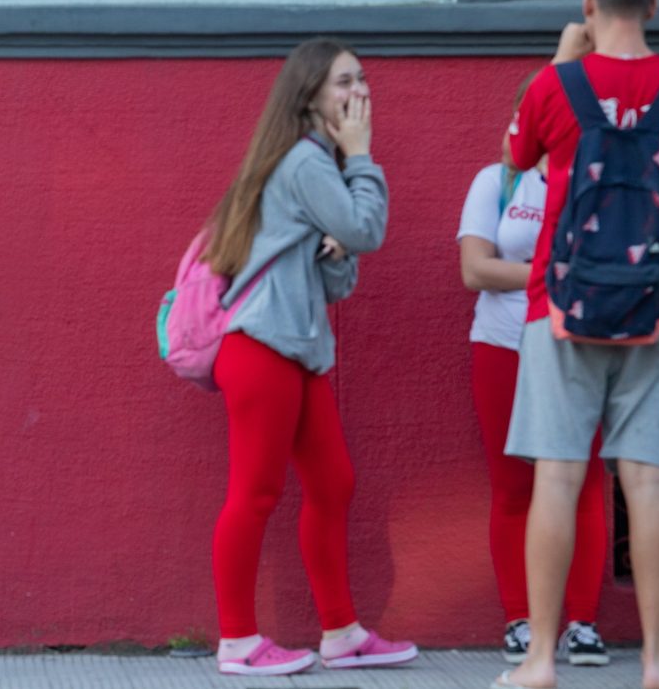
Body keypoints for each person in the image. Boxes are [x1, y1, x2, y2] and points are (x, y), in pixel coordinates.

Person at [495, 0, 659, 688]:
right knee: (648, 478)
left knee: (558, 477)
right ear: (655, 6)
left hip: (560, 303)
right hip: (657, 306)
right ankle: (658, 665)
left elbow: (514, 158)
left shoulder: (555, 85)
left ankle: (539, 661)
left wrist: (561, 59)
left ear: (588, 1)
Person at [199, 37, 416, 676]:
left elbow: (338, 271)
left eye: (364, 80)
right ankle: (237, 642)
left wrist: (337, 254)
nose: (360, 94)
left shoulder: (310, 162)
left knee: (332, 483)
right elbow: (367, 229)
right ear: (311, 95)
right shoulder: (307, 162)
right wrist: (363, 157)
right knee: (254, 494)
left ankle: (342, 633)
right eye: (345, 83)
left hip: (297, 349)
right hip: (264, 349)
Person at [458, 85, 609, 667]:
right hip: (502, 347)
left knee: (585, 483)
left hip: (578, 348)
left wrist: (521, 271)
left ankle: (583, 625)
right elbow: (474, 269)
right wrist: (552, 274)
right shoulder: (497, 182)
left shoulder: (595, 180)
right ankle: (520, 620)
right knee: (514, 485)